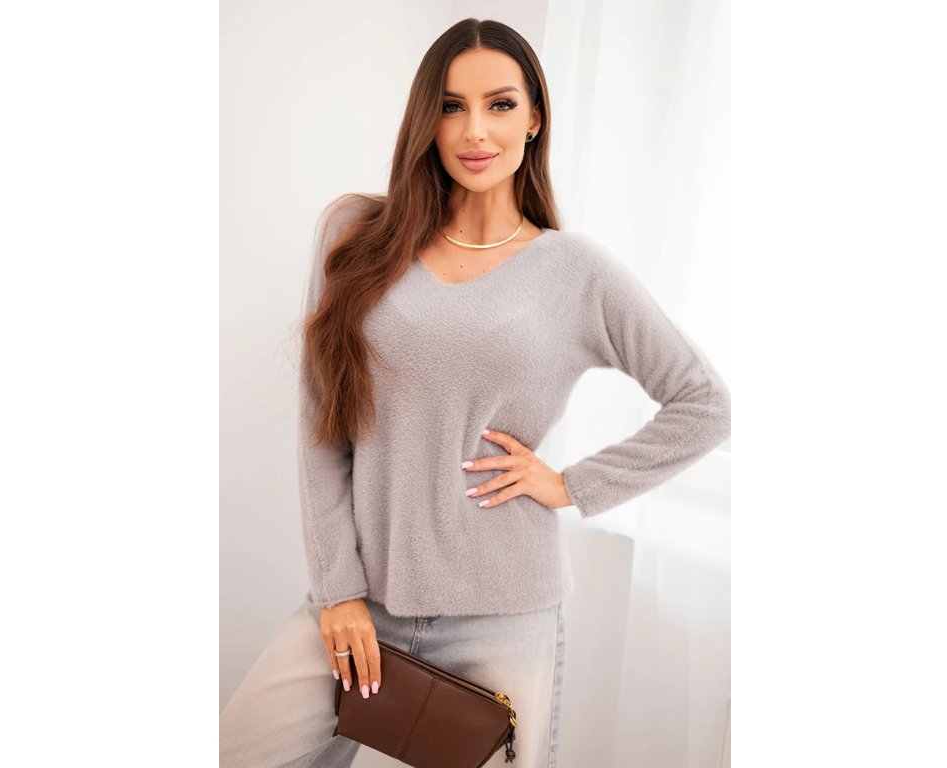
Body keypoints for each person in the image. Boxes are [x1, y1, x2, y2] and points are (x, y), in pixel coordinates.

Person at [219, 17, 731, 768]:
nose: (474, 130)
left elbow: (704, 403)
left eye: (500, 104)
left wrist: (571, 485)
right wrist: (338, 592)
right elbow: (324, 434)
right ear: (426, 120)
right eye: (451, 106)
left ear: (535, 119)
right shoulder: (357, 238)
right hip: (362, 605)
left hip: (504, 616)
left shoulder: (574, 272)